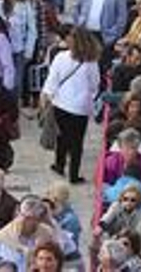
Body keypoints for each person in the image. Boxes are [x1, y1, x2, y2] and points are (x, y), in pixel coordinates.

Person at [41, 28, 101, 185]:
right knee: (77, 141)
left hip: (61, 102)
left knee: (62, 135)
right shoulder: (91, 62)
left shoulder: (61, 57)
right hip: (80, 106)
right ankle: (74, 174)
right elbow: (94, 84)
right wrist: (91, 97)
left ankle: (59, 165)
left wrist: (47, 95)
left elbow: (52, 78)